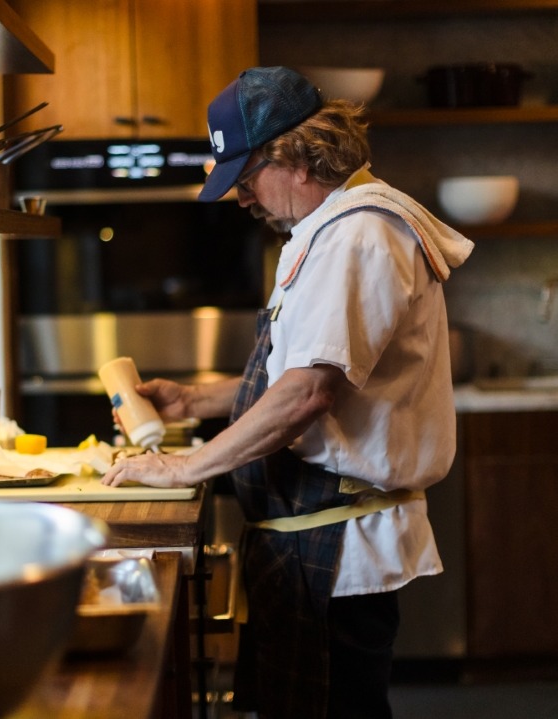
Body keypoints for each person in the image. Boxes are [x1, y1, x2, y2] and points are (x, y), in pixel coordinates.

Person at [102, 66, 474, 718]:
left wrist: (182, 466)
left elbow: (306, 394)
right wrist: (191, 401)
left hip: (333, 553)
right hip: (307, 549)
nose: (242, 199)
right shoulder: (331, 229)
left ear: (297, 157)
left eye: (245, 180)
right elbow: (292, 376)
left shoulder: (358, 235)